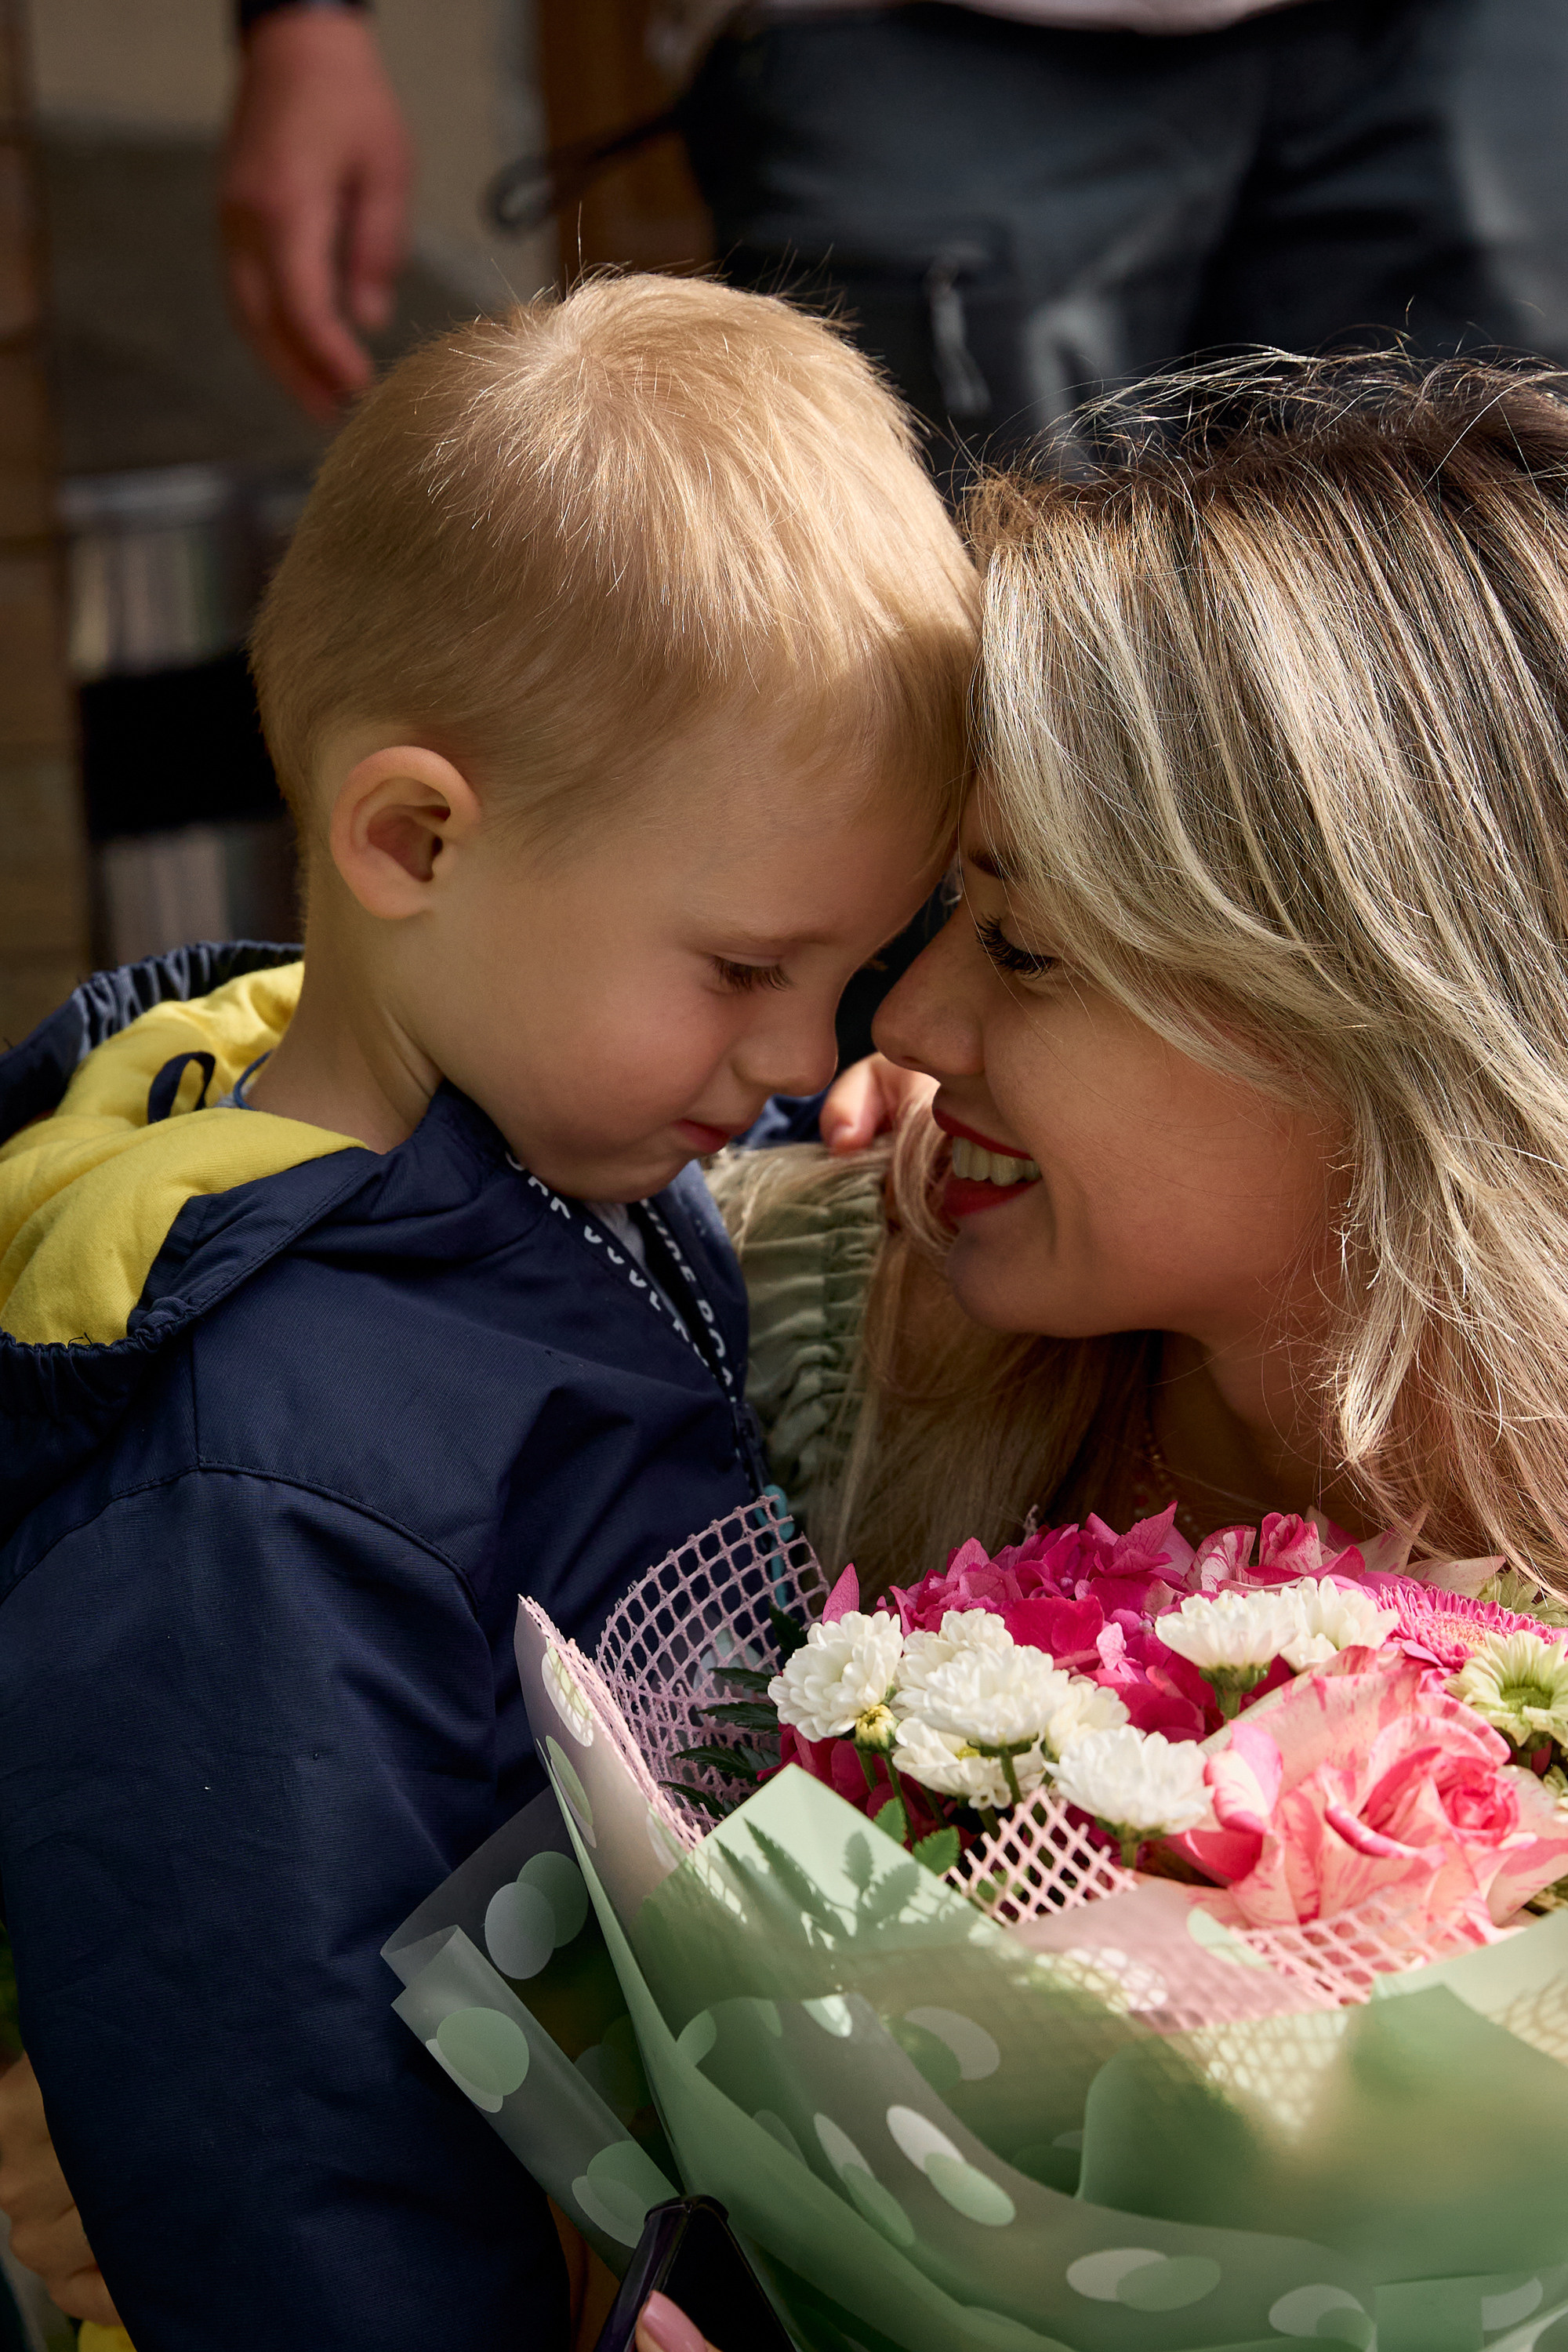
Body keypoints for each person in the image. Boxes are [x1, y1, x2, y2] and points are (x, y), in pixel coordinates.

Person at [0, 273, 975, 2348]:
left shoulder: (546, 1144)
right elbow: (288, 2174)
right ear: (414, 838)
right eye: (740, 969)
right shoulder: (251, 1483)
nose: (801, 1058)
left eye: (845, 978)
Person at [725, 350, 1568, 1610]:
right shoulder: (787, 1324)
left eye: (1025, 950)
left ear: (1394, 1015)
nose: (906, 1023)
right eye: (957, 911)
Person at [223, 2, 1568, 460]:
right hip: (900, 44)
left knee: (1471, 676)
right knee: (959, 699)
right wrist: (306, 14)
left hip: (1461, 42)